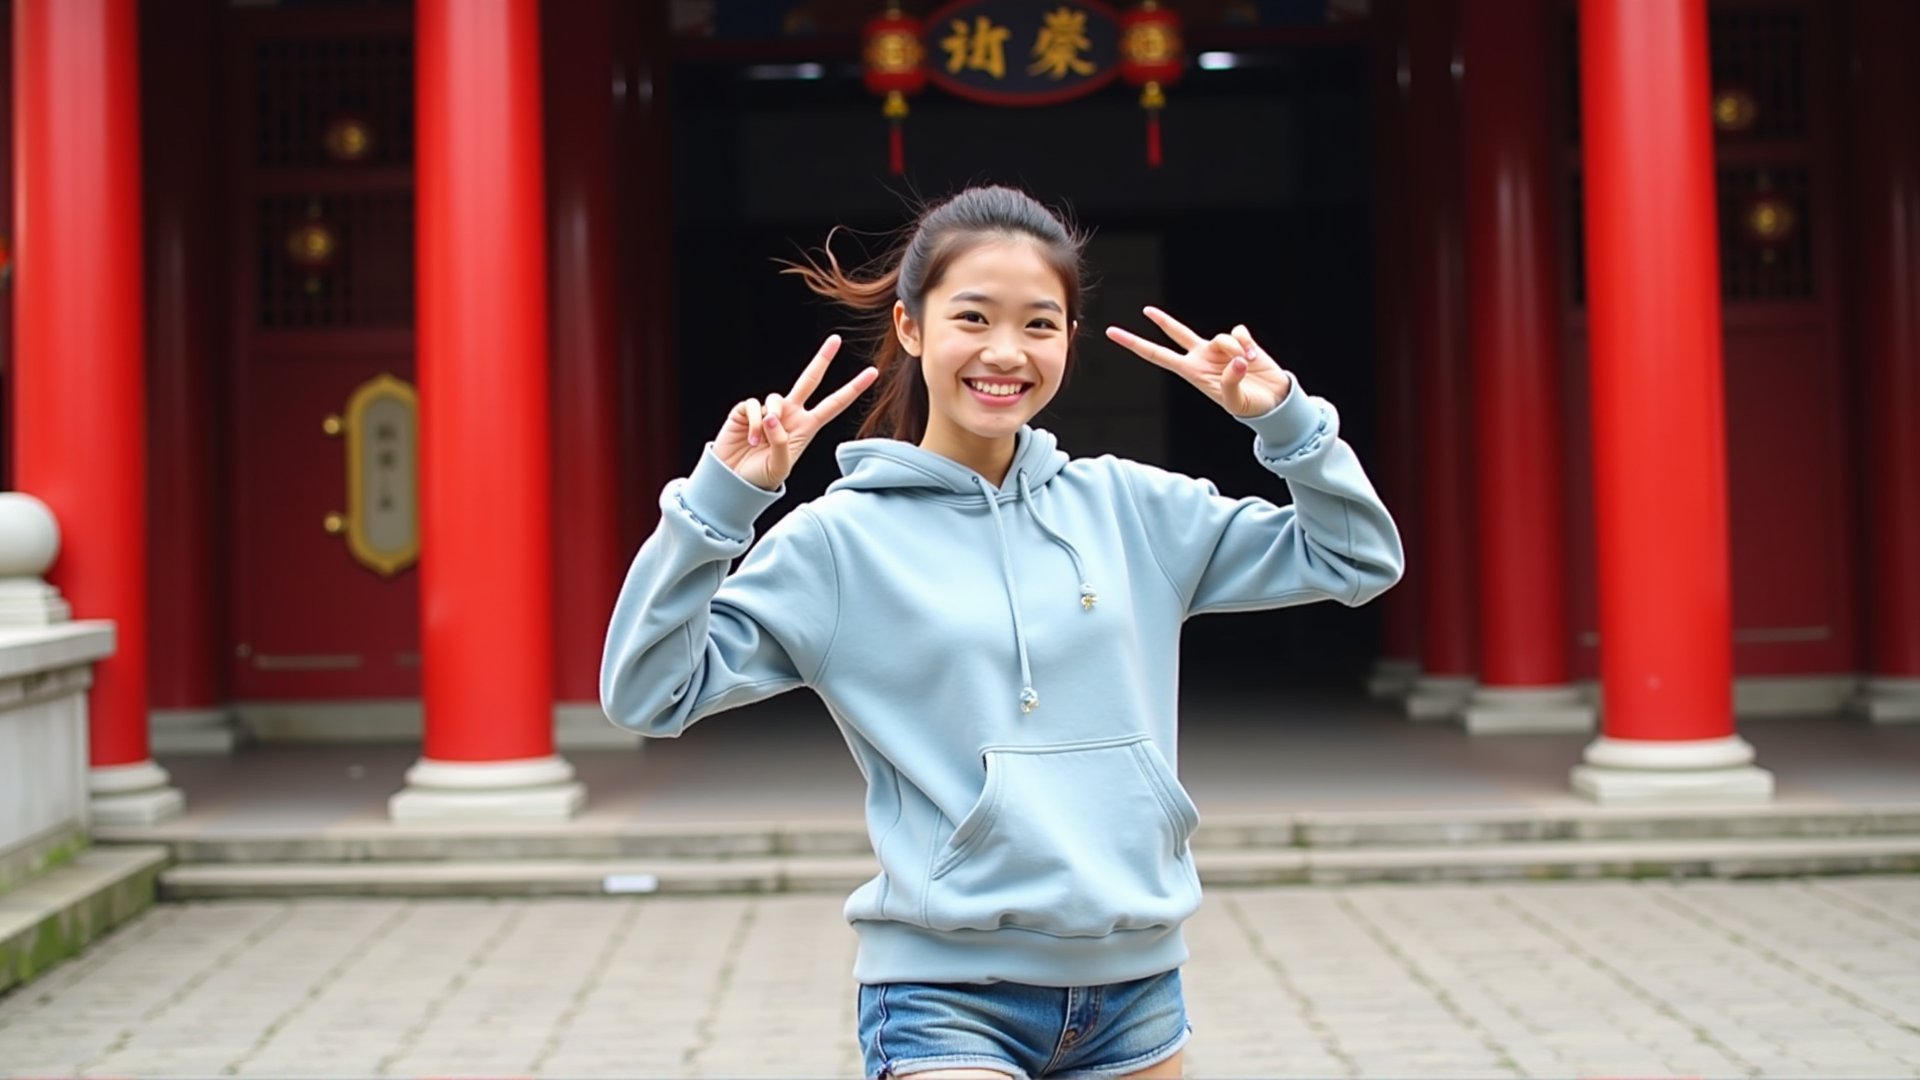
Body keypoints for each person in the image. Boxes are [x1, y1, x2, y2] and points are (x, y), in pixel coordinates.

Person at [601, 185, 1403, 1080]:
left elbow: (1356, 559)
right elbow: (649, 694)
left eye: (1040, 325)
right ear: (910, 328)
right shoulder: (838, 543)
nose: (1005, 353)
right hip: (945, 992)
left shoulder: (1131, 507)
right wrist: (720, 501)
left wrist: (1285, 421)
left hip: (1135, 986)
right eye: (973, 317)